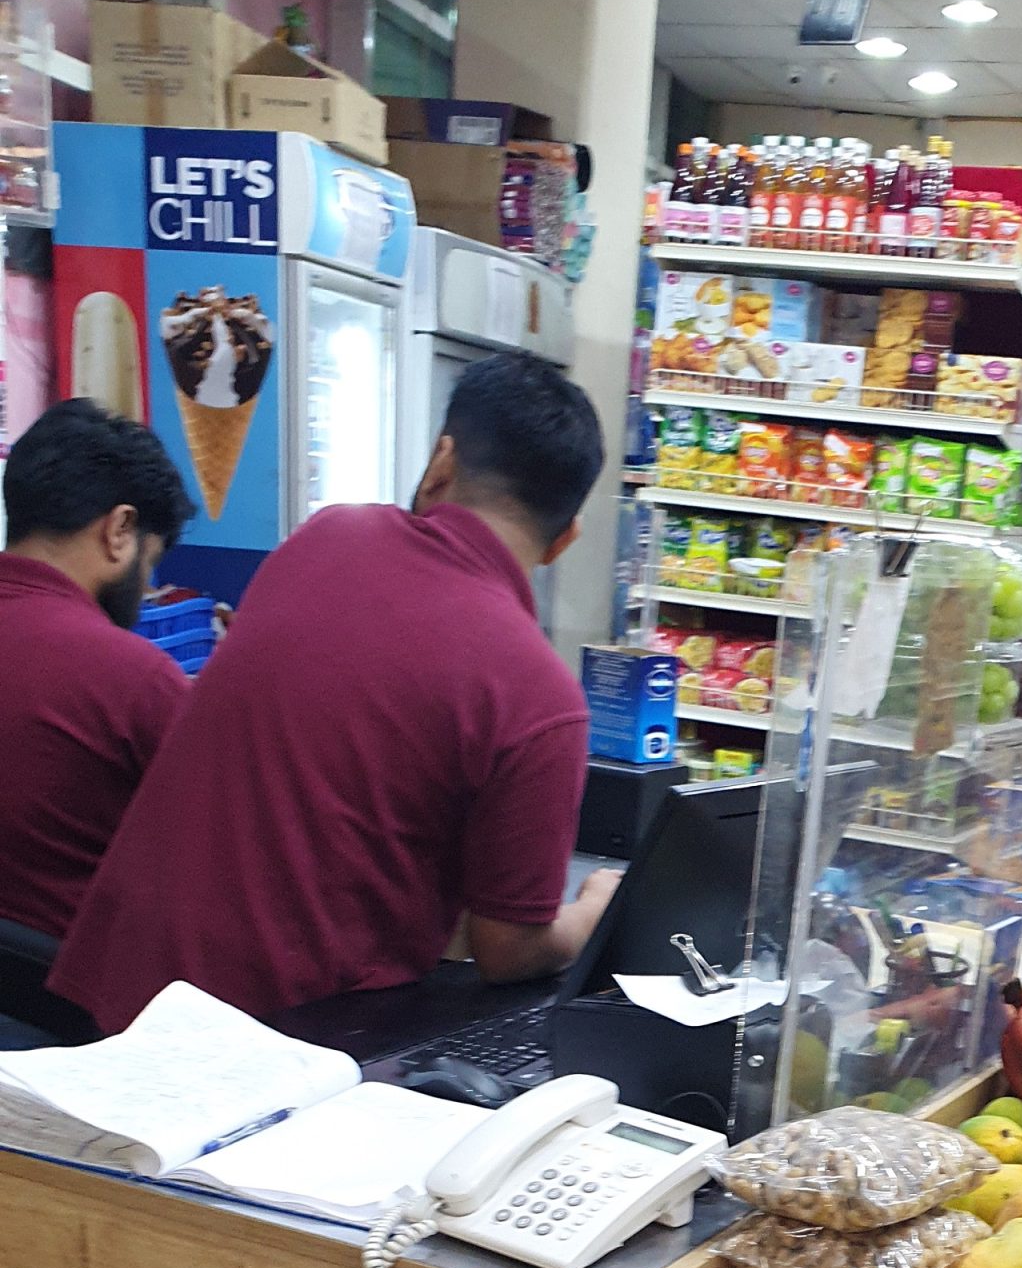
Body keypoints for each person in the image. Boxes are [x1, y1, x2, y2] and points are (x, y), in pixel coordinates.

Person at [53, 350, 618, 1032]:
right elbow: (508, 949)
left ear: (441, 464)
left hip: (117, 993)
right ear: (564, 540)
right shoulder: (542, 699)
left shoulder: (327, 534)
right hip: (277, 1039)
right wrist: (595, 910)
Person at [0, 399, 194, 939]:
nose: (147, 588)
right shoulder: (134, 679)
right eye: (150, 563)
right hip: (72, 986)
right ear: (120, 529)